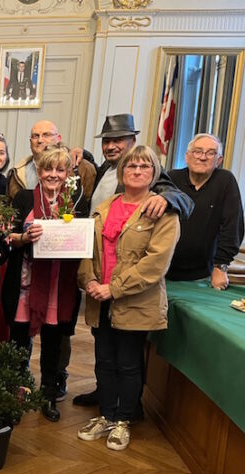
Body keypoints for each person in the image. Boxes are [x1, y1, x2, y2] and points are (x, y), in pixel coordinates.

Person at [71, 114, 194, 408]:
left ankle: (125, 411)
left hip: (131, 288)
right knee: (105, 355)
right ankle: (106, 398)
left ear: (133, 143)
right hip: (100, 279)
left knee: (128, 359)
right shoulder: (104, 170)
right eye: (107, 141)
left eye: (119, 140)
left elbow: (181, 198)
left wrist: (169, 199)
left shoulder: (156, 185)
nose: (112, 146)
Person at [77, 145, 180, 451]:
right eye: (131, 166)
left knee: (128, 364)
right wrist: (90, 280)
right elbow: (88, 248)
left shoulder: (163, 211)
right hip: (100, 298)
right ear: (121, 172)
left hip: (135, 299)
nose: (136, 171)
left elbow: (155, 264)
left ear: (154, 173)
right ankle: (106, 415)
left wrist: (115, 288)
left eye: (144, 167)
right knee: (104, 361)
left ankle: (124, 420)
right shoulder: (105, 205)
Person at [2, 144, 88, 422]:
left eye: (60, 169)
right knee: (18, 344)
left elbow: (85, 240)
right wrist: (25, 238)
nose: (53, 174)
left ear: (68, 173)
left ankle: (49, 395)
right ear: (38, 171)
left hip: (58, 289)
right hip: (25, 285)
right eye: (48, 168)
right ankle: (17, 395)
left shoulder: (77, 202)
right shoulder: (24, 198)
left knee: (54, 346)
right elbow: (9, 236)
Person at [167, 133, 244, 289]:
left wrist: (221, 266)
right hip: (163, 269)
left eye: (211, 153)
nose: (203, 157)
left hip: (203, 275)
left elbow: (232, 227)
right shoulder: (171, 178)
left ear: (219, 161)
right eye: (197, 151)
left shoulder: (226, 181)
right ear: (187, 157)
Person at [6, 120, 96, 200]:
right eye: (35, 136)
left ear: (58, 138)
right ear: (30, 142)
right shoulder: (17, 172)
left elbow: (88, 204)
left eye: (46, 135)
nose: (40, 140)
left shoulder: (82, 167)